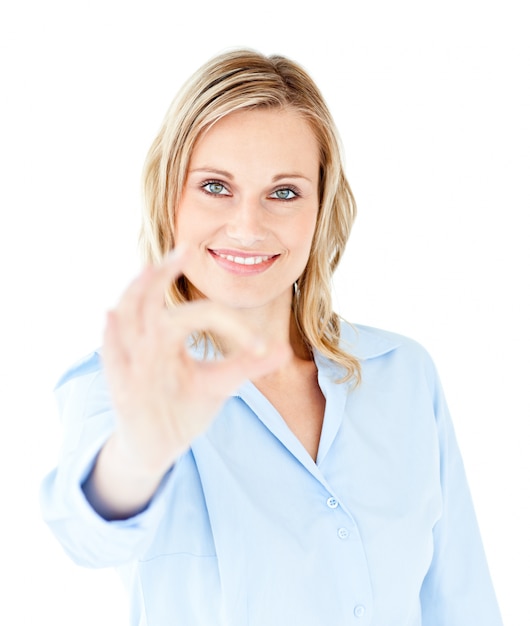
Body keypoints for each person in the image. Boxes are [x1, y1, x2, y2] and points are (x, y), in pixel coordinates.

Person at [40, 49, 503, 625]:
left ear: (320, 205)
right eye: (215, 186)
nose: (248, 226)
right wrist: (140, 455)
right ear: (170, 198)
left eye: (283, 192)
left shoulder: (404, 373)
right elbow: (86, 534)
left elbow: (461, 604)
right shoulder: (128, 381)